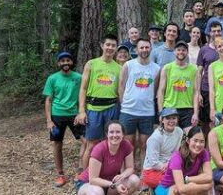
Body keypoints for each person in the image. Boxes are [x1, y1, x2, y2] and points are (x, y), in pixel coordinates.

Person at [75, 34, 122, 169]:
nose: (110, 48)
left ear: (116, 48)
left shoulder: (118, 68)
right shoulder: (91, 64)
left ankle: (106, 172)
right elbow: (83, 88)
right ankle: (85, 175)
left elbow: (120, 91)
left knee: (111, 143)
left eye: (113, 45)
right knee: (91, 144)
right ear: (102, 46)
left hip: (112, 108)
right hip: (94, 109)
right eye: (108, 45)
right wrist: (82, 111)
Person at [43, 51, 86, 187]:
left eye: (68, 60)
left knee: (86, 141)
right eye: (62, 61)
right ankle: (60, 175)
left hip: (75, 114)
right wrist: (49, 120)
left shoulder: (79, 77)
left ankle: (81, 171)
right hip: (57, 115)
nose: (65, 63)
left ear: (72, 62)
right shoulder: (52, 78)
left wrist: (81, 112)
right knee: (57, 144)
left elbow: (83, 95)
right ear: (58, 63)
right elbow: (48, 100)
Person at [118, 38, 160, 172]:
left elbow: (155, 89)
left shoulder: (156, 68)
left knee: (144, 144)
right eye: (141, 48)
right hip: (128, 111)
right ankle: (127, 171)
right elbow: (121, 86)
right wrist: (123, 103)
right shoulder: (128, 65)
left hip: (147, 112)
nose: (144, 50)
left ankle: (143, 173)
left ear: (150, 48)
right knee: (128, 143)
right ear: (136, 49)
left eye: (147, 47)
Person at [76, 121, 141, 195]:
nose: (115, 135)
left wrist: (123, 175)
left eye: (118, 132)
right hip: (88, 183)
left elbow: (130, 168)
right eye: (111, 132)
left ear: (123, 134)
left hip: (111, 182)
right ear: (107, 134)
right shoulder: (99, 149)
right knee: (97, 192)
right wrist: (115, 185)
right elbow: (93, 179)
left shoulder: (126, 145)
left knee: (134, 180)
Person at [155, 126, 213, 195]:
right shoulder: (177, 157)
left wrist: (188, 179)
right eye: (195, 140)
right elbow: (181, 188)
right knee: (186, 189)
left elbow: (209, 177)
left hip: (185, 183)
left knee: (195, 185)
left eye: (202, 142)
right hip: (165, 189)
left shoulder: (203, 153)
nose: (198, 145)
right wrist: (205, 187)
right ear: (188, 141)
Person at [157, 40, 200, 129]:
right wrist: (161, 112)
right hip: (170, 107)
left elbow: (196, 92)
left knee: (188, 137)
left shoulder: (194, 69)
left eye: (184, 50)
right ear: (174, 51)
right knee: (170, 138)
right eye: (179, 50)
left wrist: (196, 113)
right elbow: (161, 91)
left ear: (187, 52)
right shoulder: (167, 68)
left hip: (187, 108)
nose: (181, 52)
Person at [141, 108, 184, 190]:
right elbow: (154, 163)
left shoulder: (179, 132)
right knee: (177, 182)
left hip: (169, 166)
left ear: (177, 120)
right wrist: (170, 166)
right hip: (152, 170)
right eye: (168, 118)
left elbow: (176, 152)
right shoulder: (156, 137)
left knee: (183, 178)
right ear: (162, 120)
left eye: (174, 118)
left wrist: (172, 165)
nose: (171, 121)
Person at [197, 21, 223, 136]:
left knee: (220, 120)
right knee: (205, 122)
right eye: (214, 31)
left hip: (222, 89)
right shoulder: (204, 49)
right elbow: (199, 72)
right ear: (209, 33)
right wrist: (198, 93)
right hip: (206, 89)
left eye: (218, 30)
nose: (216, 33)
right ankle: (205, 148)